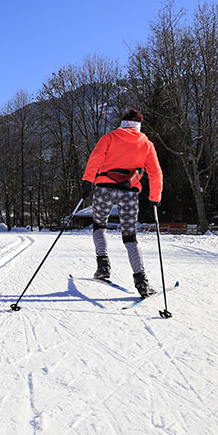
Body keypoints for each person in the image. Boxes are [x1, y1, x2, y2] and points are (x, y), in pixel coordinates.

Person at [80, 109, 163, 298]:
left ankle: (103, 267)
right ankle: (141, 282)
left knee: (99, 225)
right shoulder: (146, 144)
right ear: (139, 125)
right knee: (130, 236)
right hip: (129, 193)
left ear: (123, 122)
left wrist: (87, 181)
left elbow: (95, 158)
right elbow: (155, 172)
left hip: (103, 188)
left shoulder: (109, 137)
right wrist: (155, 197)